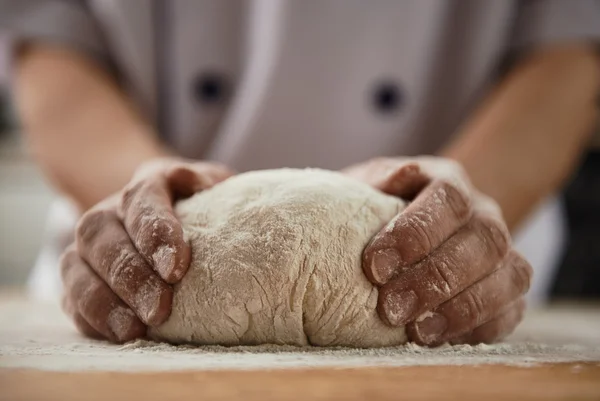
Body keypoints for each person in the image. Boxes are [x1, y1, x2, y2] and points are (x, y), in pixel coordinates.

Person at [1, 1, 599, 345]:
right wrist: (137, 195)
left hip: (446, 294)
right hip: (136, 277)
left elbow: (566, 49)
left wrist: (460, 209)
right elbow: (53, 37)